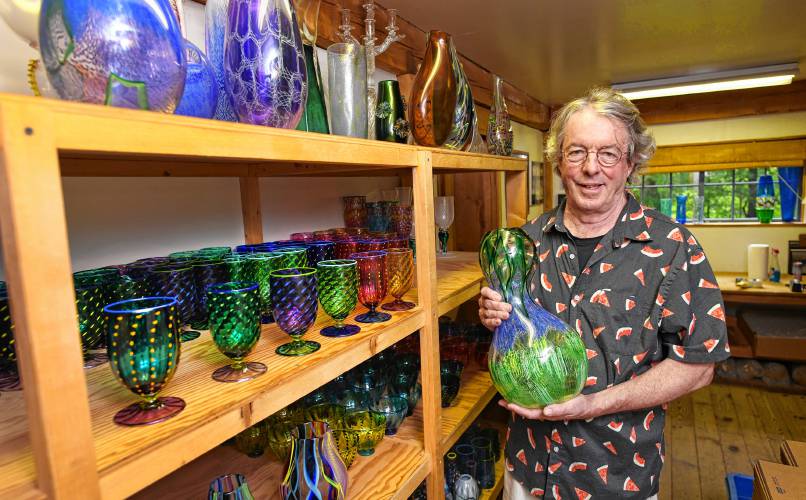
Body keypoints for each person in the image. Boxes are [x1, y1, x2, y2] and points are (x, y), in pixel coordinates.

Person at [478, 87, 730, 499]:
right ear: (559, 162)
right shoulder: (526, 242)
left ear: (631, 163)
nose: (591, 167)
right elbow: (510, 327)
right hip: (527, 468)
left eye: (608, 154)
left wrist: (593, 404)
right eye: (576, 152)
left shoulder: (672, 248)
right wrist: (491, 310)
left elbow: (699, 365)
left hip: (615, 478)